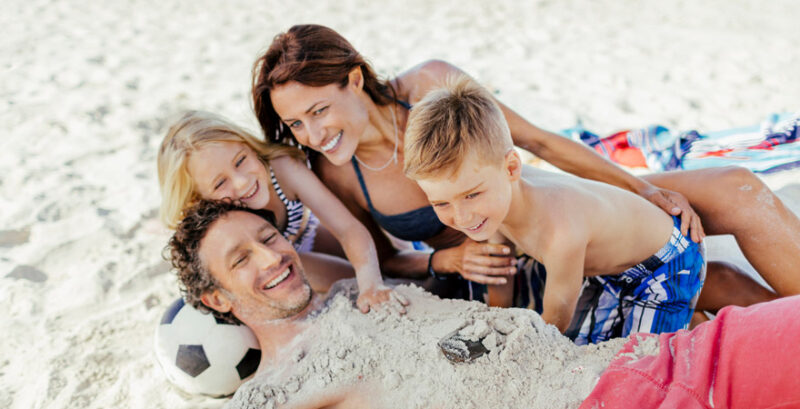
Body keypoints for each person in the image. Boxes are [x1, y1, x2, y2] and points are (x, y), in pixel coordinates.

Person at [251, 24, 787, 318]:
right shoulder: (335, 175)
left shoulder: (428, 87)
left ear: (352, 78)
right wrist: (446, 255)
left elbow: (534, 141)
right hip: (504, 274)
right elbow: (386, 259)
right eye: (295, 124)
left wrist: (642, 186)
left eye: (318, 111)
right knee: (713, 282)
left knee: (739, 189)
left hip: (545, 206)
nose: (313, 134)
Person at [167, 199, 800, 409]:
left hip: (645, 359)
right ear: (216, 297)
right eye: (240, 260)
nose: (272, 258)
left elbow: (365, 240)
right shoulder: (273, 390)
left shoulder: (354, 291)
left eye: (268, 237)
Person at [404, 76, 709, 343]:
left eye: (471, 195)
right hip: (602, 266)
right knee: (589, 336)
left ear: (511, 168)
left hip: (665, 264)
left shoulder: (560, 233)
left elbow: (554, 325)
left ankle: (688, 318)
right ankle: (678, 317)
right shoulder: (491, 201)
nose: (462, 217)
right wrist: (496, 323)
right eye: (441, 203)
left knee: (636, 362)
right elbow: (500, 272)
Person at [158, 110, 407, 313]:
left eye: (241, 161)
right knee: (349, 277)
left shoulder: (282, 170)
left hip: (305, 236)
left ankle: (410, 280)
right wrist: (366, 287)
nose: (242, 182)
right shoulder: (221, 223)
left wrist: (371, 283)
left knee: (382, 255)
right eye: (220, 183)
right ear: (198, 200)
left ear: (249, 146)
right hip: (275, 264)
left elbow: (347, 228)